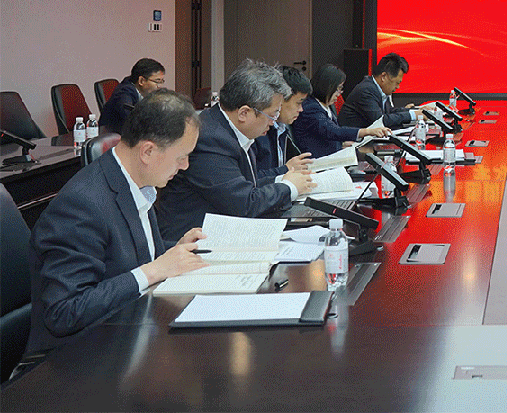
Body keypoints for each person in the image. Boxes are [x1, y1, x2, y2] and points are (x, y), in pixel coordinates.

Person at [27, 90, 208, 354]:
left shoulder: (136, 182)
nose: (185, 166)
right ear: (148, 151)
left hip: (128, 331)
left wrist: (174, 251)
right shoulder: (82, 205)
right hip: (78, 357)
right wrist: (154, 270)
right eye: (182, 156)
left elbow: (128, 258)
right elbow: (65, 312)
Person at [156, 61, 315, 242]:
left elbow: (243, 184)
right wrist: (289, 187)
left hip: (220, 232)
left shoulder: (228, 128)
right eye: (272, 115)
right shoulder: (210, 139)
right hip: (189, 242)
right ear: (244, 113)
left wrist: (282, 179)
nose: (273, 123)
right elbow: (244, 204)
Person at [291, 63, 390, 158]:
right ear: (327, 87)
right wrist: (368, 131)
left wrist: (341, 144)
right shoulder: (310, 108)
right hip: (317, 161)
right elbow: (332, 131)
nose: (339, 93)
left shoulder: (326, 105)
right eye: (338, 89)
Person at [339, 52, 432, 129]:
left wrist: (414, 110)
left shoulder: (377, 88)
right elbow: (380, 121)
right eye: (397, 83)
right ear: (383, 77)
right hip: (353, 142)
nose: (398, 87)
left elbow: (389, 111)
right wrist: (413, 115)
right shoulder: (366, 90)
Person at [253, 65, 312, 177]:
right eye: (298, 103)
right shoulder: (257, 130)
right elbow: (252, 179)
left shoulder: (282, 127)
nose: (301, 109)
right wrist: (286, 169)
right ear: (280, 99)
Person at [99, 58, 167, 133]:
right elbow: (131, 121)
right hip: (114, 136)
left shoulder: (142, 91)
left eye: (162, 81)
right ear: (141, 81)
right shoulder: (124, 94)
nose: (159, 86)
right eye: (157, 81)